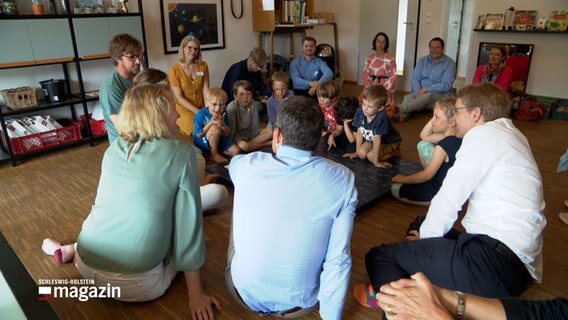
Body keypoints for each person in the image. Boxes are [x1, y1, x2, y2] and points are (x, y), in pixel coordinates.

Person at [357, 83, 546, 309]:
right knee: (420, 222)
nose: (453, 119)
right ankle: (432, 282)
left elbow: (448, 200)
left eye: (456, 111)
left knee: (379, 256)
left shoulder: (482, 137)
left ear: (475, 114)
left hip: (494, 265)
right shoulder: (512, 134)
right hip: (517, 265)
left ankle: (401, 300)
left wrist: (423, 244)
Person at [41, 84, 221, 319]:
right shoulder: (182, 153)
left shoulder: (114, 148)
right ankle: (68, 251)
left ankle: (68, 251)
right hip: (138, 286)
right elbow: (188, 229)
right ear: (156, 115)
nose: (177, 114)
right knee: (212, 197)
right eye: (172, 109)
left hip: (86, 264)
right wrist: (195, 295)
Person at [226, 96, 358, 320]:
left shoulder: (246, 165)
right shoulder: (343, 179)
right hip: (297, 308)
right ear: (317, 140)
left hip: (242, 293)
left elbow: (234, 165)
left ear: (277, 135)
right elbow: (339, 260)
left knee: (242, 200)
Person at [133, 68, 228, 212]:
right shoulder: (174, 148)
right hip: (158, 205)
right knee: (219, 192)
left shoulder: (129, 132)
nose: (178, 114)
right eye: (173, 109)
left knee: (199, 160)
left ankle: (200, 183)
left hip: (150, 193)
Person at [376, 272, 568, 320]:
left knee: (381, 255)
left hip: (496, 266)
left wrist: (434, 314)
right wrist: (442, 297)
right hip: (519, 272)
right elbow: (553, 313)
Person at [391, 97, 461, 206]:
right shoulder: (458, 137)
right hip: (452, 188)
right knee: (423, 144)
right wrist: (436, 118)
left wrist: (403, 179)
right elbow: (424, 136)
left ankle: (435, 201)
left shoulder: (443, 146)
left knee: (395, 189)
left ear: (452, 122)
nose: (432, 120)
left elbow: (426, 175)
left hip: (438, 190)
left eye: (436, 117)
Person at [394, 37, 456, 121]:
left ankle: (397, 108)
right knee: (408, 97)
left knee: (428, 96)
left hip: (439, 94)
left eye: (437, 47)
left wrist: (426, 89)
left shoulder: (450, 63)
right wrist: (417, 92)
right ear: (429, 48)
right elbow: (415, 77)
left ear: (442, 48)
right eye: (432, 47)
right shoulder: (422, 60)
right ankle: (403, 116)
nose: (434, 50)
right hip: (421, 92)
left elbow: (446, 85)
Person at [343, 85, 401, 168]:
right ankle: (372, 154)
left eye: (369, 106)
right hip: (371, 139)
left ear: (380, 108)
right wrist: (357, 152)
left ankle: (395, 151)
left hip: (388, 142)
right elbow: (360, 132)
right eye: (364, 103)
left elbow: (378, 139)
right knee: (362, 154)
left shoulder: (382, 117)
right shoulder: (360, 112)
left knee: (371, 157)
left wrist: (376, 162)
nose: (365, 108)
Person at [99, 33, 143, 143]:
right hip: (126, 146)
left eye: (139, 56)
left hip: (143, 137)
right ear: (118, 58)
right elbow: (125, 131)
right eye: (132, 57)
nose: (138, 61)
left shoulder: (138, 79)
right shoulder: (110, 88)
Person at [168, 36, 210, 137]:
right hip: (185, 111)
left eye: (196, 49)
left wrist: (208, 108)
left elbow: (206, 89)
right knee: (196, 131)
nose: (193, 51)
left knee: (212, 128)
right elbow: (179, 97)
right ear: (183, 48)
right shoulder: (174, 71)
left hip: (202, 107)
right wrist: (198, 112)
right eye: (190, 48)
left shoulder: (203, 66)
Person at [192, 87, 241, 163]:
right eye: (214, 104)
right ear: (207, 103)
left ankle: (214, 151)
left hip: (219, 138)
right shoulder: (201, 114)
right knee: (215, 128)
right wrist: (211, 123)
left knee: (236, 151)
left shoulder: (224, 114)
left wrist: (222, 124)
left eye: (222, 105)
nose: (218, 108)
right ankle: (214, 154)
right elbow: (198, 135)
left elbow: (228, 133)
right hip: (202, 140)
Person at [226, 80, 272, 152]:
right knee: (243, 145)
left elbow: (255, 124)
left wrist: (255, 136)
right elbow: (232, 129)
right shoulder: (232, 107)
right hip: (238, 135)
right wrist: (232, 144)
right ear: (235, 96)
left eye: (248, 94)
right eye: (241, 94)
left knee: (270, 132)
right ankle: (266, 144)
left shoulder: (252, 104)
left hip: (250, 132)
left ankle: (251, 145)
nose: (245, 97)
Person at [360, 32, 397, 106]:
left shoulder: (390, 58)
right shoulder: (369, 58)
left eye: (383, 42)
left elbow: (393, 76)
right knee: (363, 101)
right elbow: (365, 76)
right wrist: (371, 88)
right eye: (378, 41)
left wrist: (381, 89)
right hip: (371, 87)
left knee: (383, 105)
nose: (380, 44)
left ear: (386, 44)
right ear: (375, 42)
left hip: (385, 88)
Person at [316, 80, 340, 148]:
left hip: (334, 134)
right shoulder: (321, 105)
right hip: (323, 131)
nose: (321, 100)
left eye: (325, 97)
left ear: (334, 98)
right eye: (319, 96)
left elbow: (339, 129)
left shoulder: (338, 109)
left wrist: (331, 135)